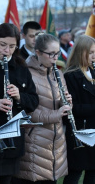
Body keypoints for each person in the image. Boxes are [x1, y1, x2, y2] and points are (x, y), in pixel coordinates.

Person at [0, 23, 39, 184]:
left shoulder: (21, 67)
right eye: (2, 45)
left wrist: (19, 97)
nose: (7, 51)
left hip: (13, 139)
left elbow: (34, 101)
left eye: (12, 46)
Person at [15, 33, 71, 183]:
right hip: (35, 140)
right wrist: (56, 114)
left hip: (56, 140)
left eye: (57, 53)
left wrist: (67, 104)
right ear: (38, 52)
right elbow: (27, 111)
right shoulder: (26, 73)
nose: (55, 57)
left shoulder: (58, 73)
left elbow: (60, 104)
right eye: (51, 54)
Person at [63, 35, 95, 184]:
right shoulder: (70, 75)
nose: (94, 56)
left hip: (92, 130)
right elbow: (71, 108)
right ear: (80, 52)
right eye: (90, 52)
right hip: (80, 131)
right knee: (75, 173)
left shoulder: (93, 72)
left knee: (92, 173)